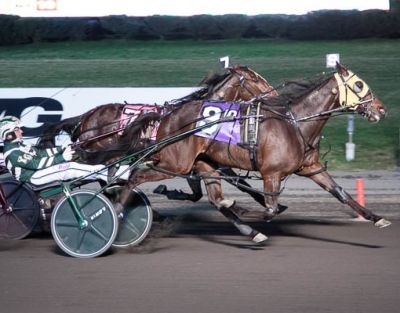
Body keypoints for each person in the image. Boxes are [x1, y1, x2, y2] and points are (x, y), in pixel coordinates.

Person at [0, 116, 129, 186]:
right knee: (70, 168)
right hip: (33, 178)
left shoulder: (21, 145)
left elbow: (41, 153)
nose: (21, 131)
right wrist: (62, 158)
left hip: (38, 172)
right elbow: (36, 164)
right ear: (8, 134)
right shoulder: (12, 153)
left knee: (73, 166)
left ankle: (113, 172)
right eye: (17, 129)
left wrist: (63, 149)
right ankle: (113, 174)